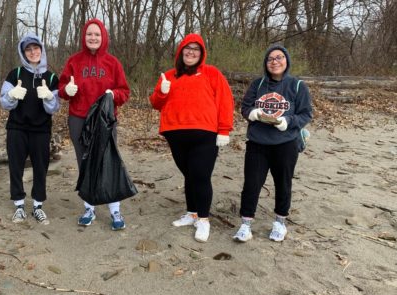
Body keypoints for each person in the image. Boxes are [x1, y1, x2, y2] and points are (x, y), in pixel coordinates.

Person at [149, 33, 235, 242]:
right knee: (189, 174)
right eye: (188, 48)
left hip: (205, 134)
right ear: (181, 51)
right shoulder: (169, 75)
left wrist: (224, 129)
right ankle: (192, 213)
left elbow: (225, 100)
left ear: (201, 53)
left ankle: (203, 220)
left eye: (196, 49)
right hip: (175, 133)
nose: (191, 52)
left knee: (200, 175)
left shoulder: (211, 73)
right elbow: (155, 103)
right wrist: (162, 91)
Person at [233, 44, 313, 242]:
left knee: (283, 183)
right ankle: (245, 225)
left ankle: (279, 222)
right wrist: (253, 113)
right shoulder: (257, 85)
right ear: (265, 63)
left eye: (279, 58)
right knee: (252, 184)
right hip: (257, 142)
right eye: (270, 59)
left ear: (286, 61)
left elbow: (306, 114)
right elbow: (245, 107)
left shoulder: (297, 86)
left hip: (286, 143)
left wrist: (288, 121)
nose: (275, 62)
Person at [58, 18, 130, 231]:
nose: (93, 38)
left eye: (97, 34)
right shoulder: (74, 61)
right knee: (85, 162)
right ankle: (89, 207)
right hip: (79, 118)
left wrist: (113, 94)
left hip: (104, 120)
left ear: (103, 37)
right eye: (89, 34)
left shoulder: (112, 63)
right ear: (84, 36)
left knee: (108, 161)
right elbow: (62, 87)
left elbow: (124, 91)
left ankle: (114, 209)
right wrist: (66, 91)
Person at [0, 34, 60, 224]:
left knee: (40, 168)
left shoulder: (51, 77)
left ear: (41, 50)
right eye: (28, 49)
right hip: (17, 128)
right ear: (23, 53)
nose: (33, 52)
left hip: (41, 130)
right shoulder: (15, 74)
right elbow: (4, 103)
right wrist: (11, 94)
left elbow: (54, 107)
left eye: (36, 48)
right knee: (16, 166)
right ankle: (19, 206)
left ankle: (37, 206)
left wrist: (49, 97)